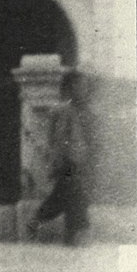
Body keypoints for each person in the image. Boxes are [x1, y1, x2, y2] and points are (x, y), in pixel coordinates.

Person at [29, 71, 90, 246]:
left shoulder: (72, 108)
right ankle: (72, 234)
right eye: (80, 86)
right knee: (72, 197)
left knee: (64, 197)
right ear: (71, 88)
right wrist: (58, 162)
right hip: (68, 162)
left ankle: (39, 223)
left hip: (73, 160)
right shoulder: (65, 109)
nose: (84, 90)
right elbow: (60, 138)